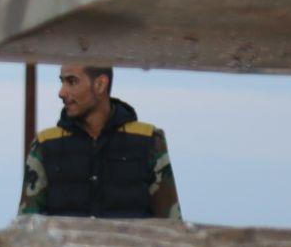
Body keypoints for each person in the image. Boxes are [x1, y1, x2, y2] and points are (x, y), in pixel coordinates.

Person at [18, 64, 180, 219]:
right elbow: (26, 227)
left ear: (100, 84)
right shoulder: (45, 144)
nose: (61, 92)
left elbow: (171, 226)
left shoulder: (148, 140)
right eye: (62, 81)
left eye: (72, 82)